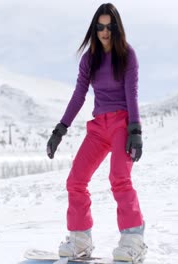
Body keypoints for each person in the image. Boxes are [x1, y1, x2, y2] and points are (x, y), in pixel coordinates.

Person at [46, 3, 147, 263]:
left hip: (122, 124)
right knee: (75, 180)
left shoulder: (127, 55)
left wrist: (135, 129)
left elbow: (131, 94)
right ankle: (80, 240)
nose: (104, 31)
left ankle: (133, 240)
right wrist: (61, 128)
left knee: (119, 178)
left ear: (117, 28)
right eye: (100, 26)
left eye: (109, 26)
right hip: (98, 126)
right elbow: (79, 94)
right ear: (94, 28)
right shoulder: (89, 59)